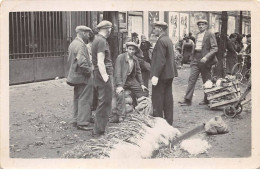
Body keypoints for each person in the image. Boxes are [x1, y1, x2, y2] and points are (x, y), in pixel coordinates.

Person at [178, 19, 218, 106]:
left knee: (206, 80)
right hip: (196, 58)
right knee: (192, 79)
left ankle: (207, 99)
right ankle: (187, 100)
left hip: (205, 60)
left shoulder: (210, 34)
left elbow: (215, 48)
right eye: (199, 25)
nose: (201, 26)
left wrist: (206, 57)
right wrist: (192, 58)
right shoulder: (197, 35)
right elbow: (195, 47)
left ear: (206, 26)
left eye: (203, 24)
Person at [111, 42, 148, 123]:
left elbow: (138, 72)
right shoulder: (120, 57)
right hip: (121, 79)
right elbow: (117, 72)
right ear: (126, 49)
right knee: (120, 94)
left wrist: (141, 84)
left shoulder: (135, 59)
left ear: (135, 51)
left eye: (133, 50)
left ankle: (140, 113)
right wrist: (119, 85)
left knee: (143, 92)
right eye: (130, 49)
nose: (131, 51)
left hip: (130, 79)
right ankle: (121, 115)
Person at [150, 21, 178, 125]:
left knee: (157, 99)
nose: (154, 30)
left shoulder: (161, 41)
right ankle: (168, 122)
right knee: (168, 99)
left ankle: (159, 123)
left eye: (155, 28)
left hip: (161, 75)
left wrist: (155, 75)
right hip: (169, 74)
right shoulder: (168, 39)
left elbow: (160, 60)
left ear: (160, 29)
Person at [66, 25, 93, 131]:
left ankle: (76, 119)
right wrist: (89, 71)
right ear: (82, 33)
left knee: (77, 97)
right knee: (85, 98)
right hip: (83, 76)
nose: (88, 36)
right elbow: (82, 61)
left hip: (75, 76)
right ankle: (82, 122)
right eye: (87, 33)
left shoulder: (73, 44)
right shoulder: (81, 45)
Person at [91, 20, 113, 137]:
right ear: (107, 29)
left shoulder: (96, 40)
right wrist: (105, 77)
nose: (110, 31)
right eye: (110, 29)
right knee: (105, 102)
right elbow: (100, 62)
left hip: (97, 74)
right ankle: (99, 130)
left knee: (102, 101)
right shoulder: (102, 41)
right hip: (102, 74)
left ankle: (99, 128)